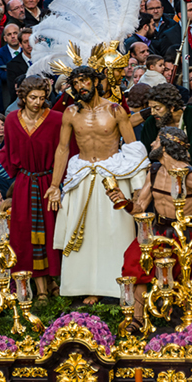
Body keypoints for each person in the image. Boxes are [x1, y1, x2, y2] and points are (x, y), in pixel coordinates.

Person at [47, 66, 148, 302]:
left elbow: (133, 148)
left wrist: (137, 190)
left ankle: (117, 286)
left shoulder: (115, 110)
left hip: (112, 176)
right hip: (81, 174)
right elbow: (62, 148)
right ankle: (84, 287)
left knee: (116, 230)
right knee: (81, 233)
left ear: (96, 82)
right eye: (76, 83)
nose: (81, 87)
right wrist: (54, 185)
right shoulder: (70, 113)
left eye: (85, 81)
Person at [112, 127, 192, 328]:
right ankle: (137, 318)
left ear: (166, 146)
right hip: (158, 232)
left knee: (181, 276)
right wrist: (124, 202)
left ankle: (183, 316)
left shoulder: (190, 176)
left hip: (186, 235)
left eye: (155, 141)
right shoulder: (153, 172)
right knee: (134, 260)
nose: (152, 144)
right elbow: (140, 208)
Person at [0, 76, 62, 301]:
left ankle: (54, 282)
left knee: (52, 233)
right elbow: (8, 151)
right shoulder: (11, 120)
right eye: (32, 97)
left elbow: (65, 151)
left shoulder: (56, 119)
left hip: (50, 183)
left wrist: (60, 185)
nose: (38, 102)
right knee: (27, 236)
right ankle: (41, 290)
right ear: (23, 97)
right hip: (25, 185)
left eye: (41, 97)